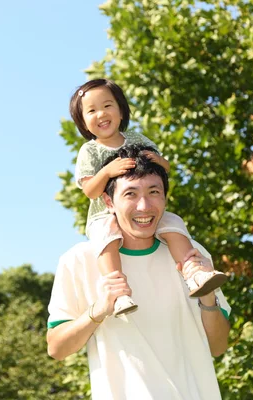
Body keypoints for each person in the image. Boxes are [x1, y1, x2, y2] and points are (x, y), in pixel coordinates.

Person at [46, 145, 231, 399]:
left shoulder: (192, 255)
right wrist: (98, 311)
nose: (144, 206)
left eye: (154, 192)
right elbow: (56, 347)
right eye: (130, 194)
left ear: (165, 197)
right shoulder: (79, 260)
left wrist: (208, 299)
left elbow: (219, 346)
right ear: (108, 201)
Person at [70, 78, 226, 315]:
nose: (101, 114)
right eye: (91, 110)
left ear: (121, 110)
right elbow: (90, 191)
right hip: (105, 213)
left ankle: (193, 271)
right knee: (107, 239)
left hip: (142, 209)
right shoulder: (90, 150)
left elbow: (165, 167)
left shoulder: (137, 139)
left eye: (107, 105)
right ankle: (119, 291)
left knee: (173, 223)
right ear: (83, 121)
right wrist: (107, 172)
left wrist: (159, 162)